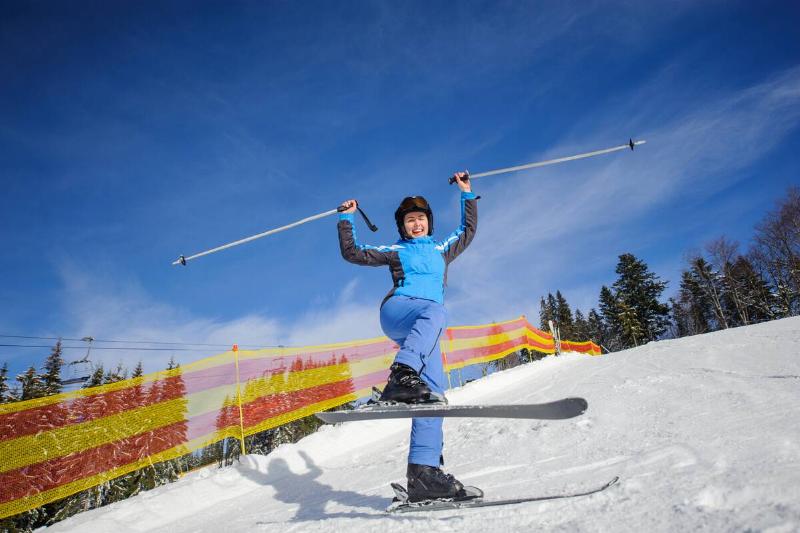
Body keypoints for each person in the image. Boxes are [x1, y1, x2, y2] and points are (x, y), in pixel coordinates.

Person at [337, 172, 477, 502]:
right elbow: (354, 252)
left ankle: (423, 475)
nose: (416, 225)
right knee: (437, 311)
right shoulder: (397, 250)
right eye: (410, 221)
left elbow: (467, 231)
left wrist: (466, 193)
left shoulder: (442, 249)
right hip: (398, 311)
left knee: (433, 397)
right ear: (403, 226)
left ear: (429, 222)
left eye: (421, 219)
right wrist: (346, 218)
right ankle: (401, 376)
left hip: (423, 331)